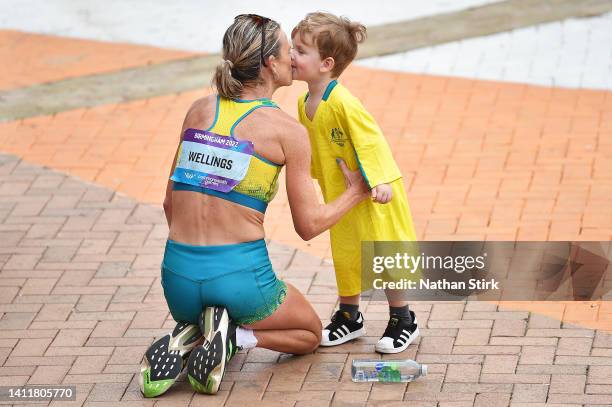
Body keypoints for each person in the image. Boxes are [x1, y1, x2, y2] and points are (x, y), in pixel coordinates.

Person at [138, 14, 369, 398]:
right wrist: (355, 192)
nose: (293, 58)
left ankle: (195, 328)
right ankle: (233, 337)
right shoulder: (286, 131)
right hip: (239, 279)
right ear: (269, 64)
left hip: (176, 279)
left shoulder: (199, 110)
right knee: (309, 333)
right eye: (286, 50)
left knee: (205, 292)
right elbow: (309, 225)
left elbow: (168, 203)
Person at [291, 12, 420, 354]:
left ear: (326, 63)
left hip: (376, 195)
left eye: (301, 51)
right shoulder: (304, 103)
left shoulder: (345, 103)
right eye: (293, 48)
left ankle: (403, 318)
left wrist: (379, 181)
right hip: (342, 195)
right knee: (346, 253)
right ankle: (350, 316)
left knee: (384, 254)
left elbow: (371, 140)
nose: (291, 55)